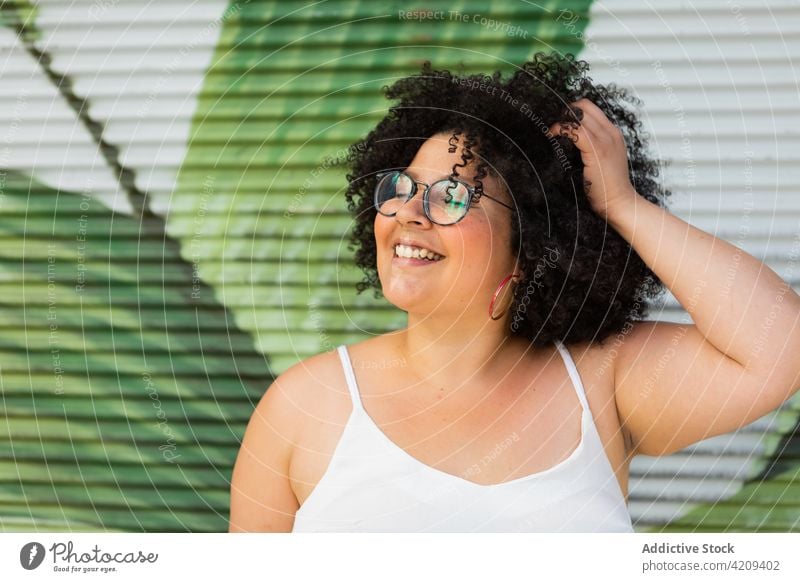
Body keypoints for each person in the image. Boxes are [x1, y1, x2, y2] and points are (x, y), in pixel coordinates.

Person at [228, 53, 800, 532]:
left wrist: (621, 204)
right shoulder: (304, 405)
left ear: (532, 245)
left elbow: (780, 345)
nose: (408, 212)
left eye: (452, 196)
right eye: (402, 186)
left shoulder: (602, 381)